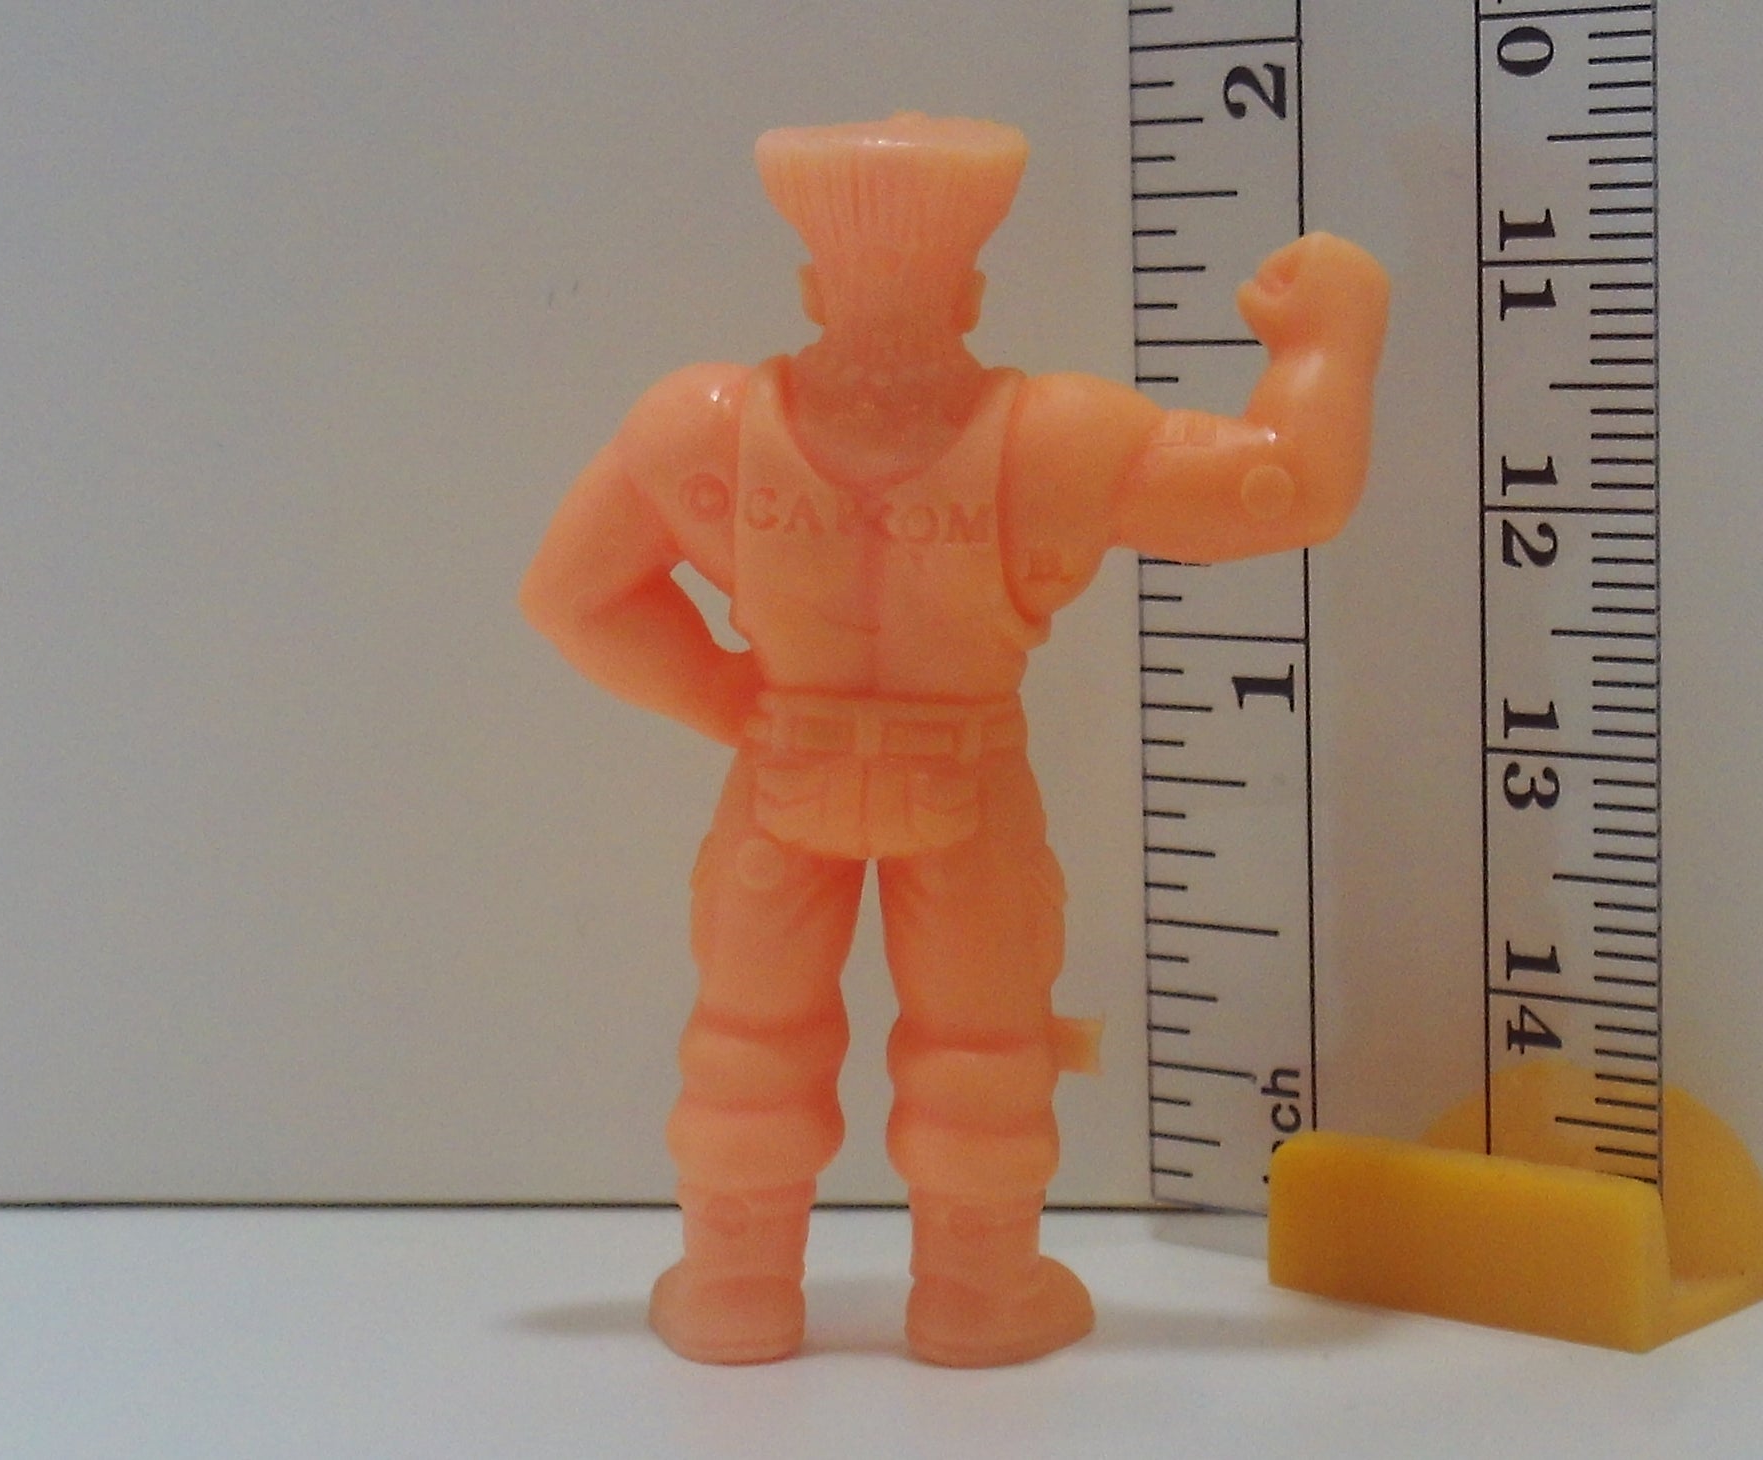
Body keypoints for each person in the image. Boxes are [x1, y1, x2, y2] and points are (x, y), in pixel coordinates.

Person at [520, 114, 1388, 1365]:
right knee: (980, 1042)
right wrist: (1330, 332)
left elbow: (571, 597)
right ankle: (977, 1295)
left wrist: (727, 699)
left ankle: (732, 1288)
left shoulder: (700, 427)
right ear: (970, 291)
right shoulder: (1054, 438)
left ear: (811, 285)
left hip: (785, 769)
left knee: (749, 1036)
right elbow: (1289, 486)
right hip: (965, 776)